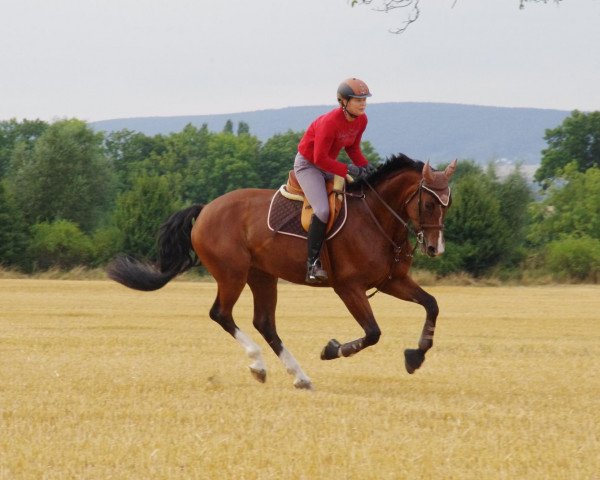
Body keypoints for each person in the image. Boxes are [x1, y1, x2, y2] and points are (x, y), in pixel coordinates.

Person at [294, 77, 375, 284]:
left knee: (357, 197)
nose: (363, 103)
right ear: (343, 102)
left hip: (328, 165)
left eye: (364, 99)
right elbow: (319, 158)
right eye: (358, 100)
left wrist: (366, 166)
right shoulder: (330, 123)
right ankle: (312, 264)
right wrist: (348, 168)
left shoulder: (361, 120)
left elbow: (352, 148)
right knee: (322, 210)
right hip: (308, 165)